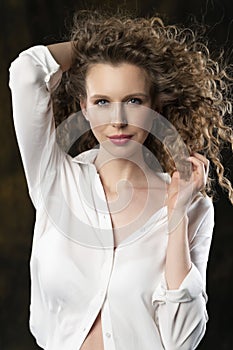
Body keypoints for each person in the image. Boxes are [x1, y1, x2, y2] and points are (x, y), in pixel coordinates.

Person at [9, 10, 233, 350]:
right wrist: (100, 47)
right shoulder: (55, 179)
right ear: (84, 107)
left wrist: (176, 215)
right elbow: (27, 71)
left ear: (154, 106)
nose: (118, 120)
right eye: (102, 102)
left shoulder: (193, 206)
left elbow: (181, 340)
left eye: (133, 100)